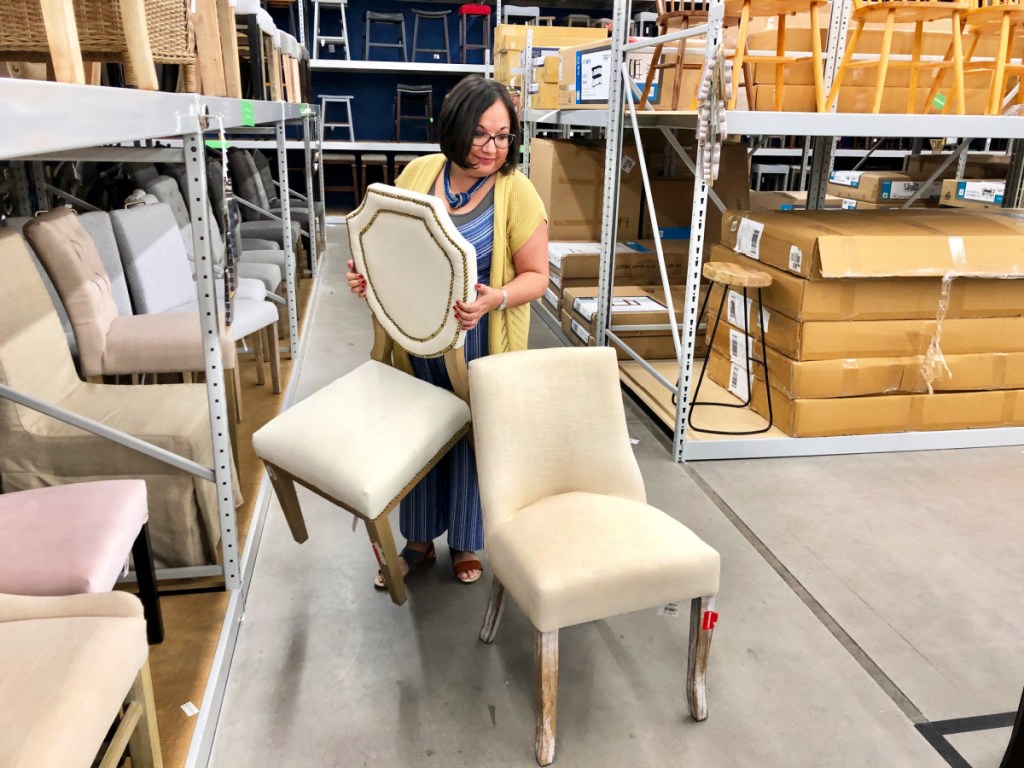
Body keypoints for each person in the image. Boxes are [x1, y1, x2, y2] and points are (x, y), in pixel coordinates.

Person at [346, 75, 549, 588]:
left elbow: (537, 277)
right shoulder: (418, 173)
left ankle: (463, 540)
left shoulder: (515, 192)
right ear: (455, 128)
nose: (492, 148)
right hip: (415, 338)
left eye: (504, 136)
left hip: (478, 341)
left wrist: (494, 299)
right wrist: (364, 274)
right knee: (416, 434)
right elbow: (388, 241)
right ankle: (417, 541)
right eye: (481, 134)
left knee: (468, 437)